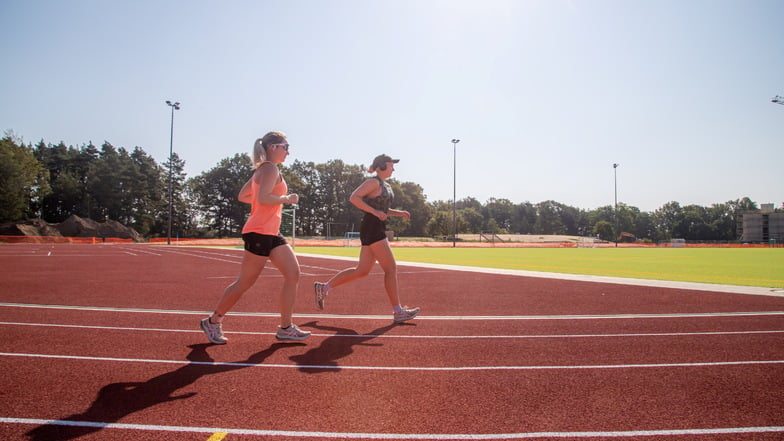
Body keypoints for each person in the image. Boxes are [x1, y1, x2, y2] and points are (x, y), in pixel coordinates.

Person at [200, 131, 310, 344]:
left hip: (270, 231)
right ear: (273, 147)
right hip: (259, 231)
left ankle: (285, 328)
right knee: (245, 283)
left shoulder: (264, 170)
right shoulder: (269, 168)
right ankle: (213, 321)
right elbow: (263, 198)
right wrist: (286, 198)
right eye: (285, 146)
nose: (288, 151)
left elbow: (244, 195)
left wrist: (264, 197)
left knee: (293, 273)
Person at [313, 154, 420, 323]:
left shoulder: (385, 185)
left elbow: (382, 208)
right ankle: (398, 311)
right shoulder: (373, 182)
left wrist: (398, 213)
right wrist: (375, 212)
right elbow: (354, 198)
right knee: (391, 268)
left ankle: (323, 287)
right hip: (372, 227)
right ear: (381, 167)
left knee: (362, 271)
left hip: (375, 227)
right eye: (391, 166)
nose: (393, 169)